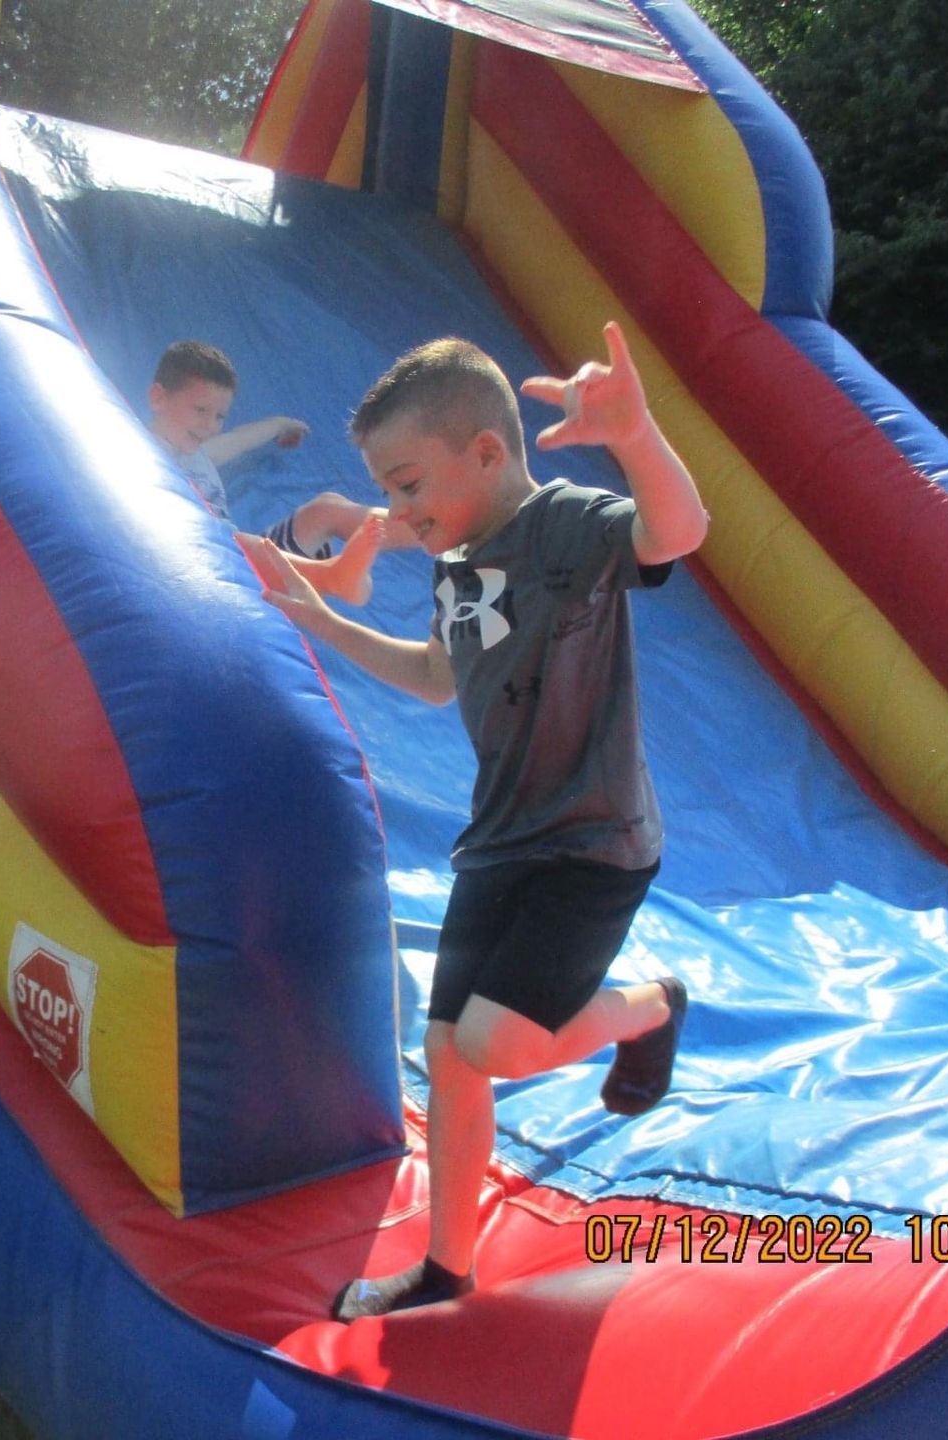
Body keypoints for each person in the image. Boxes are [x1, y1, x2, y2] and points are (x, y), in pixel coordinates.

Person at [237, 323, 708, 1320]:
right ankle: (448, 1266)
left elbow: (674, 532)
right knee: (450, 1057)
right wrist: (324, 622)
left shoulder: (569, 527)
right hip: (499, 842)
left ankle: (652, 1002)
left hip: (590, 843)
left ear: (486, 453)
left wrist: (633, 435)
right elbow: (436, 675)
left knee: (490, 1043)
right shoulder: (460, 562)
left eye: (409, 486)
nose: (398, 512)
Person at [148, 340, 407, 605]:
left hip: (247, 569)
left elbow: (238, 439)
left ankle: (427, 520)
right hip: (210, 569)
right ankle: (331, 576)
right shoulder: (143, 454)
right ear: (158, 398)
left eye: (219, 416)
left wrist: (279, 425)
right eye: (201, 410)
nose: (210, 426)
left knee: (327, 508)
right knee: (235, 540)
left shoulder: (198, 454)